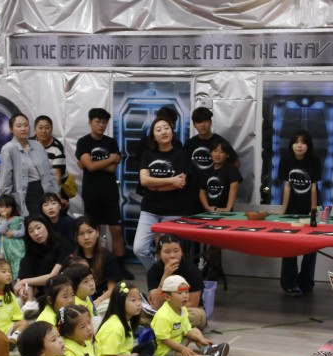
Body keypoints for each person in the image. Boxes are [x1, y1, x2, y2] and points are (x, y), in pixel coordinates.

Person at [75, 108, 133, 279]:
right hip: (91, 193)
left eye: (104, 122)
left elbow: (111, 168)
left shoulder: (111, 142)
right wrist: (110, 159)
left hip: (110, 192)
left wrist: (92, 163)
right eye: (97, 121)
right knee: (93, 230)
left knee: (116, 229)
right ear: (90, 122)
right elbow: (91, 166)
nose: (101, 125)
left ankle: (120, 266)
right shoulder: (83, 142)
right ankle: (94, 265)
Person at [133, 117, 195, 270]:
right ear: (153, 136)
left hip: (174, 211)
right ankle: (157, 272)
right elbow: (144, 181)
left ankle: (167, 279)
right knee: (139, 248)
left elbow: (180, 183)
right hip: (149, 210)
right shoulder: (148, 154)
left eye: (166, 128)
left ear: (172, 132)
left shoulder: (181, 154)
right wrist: (171, 180)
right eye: (158, 129)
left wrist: (155, 186)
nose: (163, 132)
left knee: (168, 252)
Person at [277, 130, 321, 296]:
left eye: (303, 142)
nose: (299, 145)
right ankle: (289, 283)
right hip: (291, 210)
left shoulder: (314, 160)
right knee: (289, 248)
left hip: (308, 209)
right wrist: (283, 210)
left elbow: (314, 187)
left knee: (311, 248)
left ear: (308, 146)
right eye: (296, 142)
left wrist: (313, 210)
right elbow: (287, 187)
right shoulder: (285, 160)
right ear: (292, 145)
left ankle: (306, 282)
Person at [151, 275, 229, 356]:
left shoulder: (182, 309)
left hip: (178, 340)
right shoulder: (163, 316)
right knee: (187, 355)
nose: (185, 295)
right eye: (180, 293)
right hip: (165, 350)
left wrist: (200, 339)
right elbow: (164, 340)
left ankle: (207, 349)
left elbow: (187, 330)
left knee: (195, 330)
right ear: (167, 297)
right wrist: (183, 349)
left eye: (187, 292)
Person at [95, 282, 159, 356]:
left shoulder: (126, 320)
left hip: (121, 355)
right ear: (120, 303)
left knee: (149, 345)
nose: (138, 303)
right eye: (133, 300)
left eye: (139, 299)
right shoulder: (115, 326)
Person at [0, 112, 59, 217]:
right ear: (11, 129)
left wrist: (57, 194)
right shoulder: (8, 148)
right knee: (34, 222)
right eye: (19, 126)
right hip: (27, 193)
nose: (23, 129)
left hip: (45, 190)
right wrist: (6, 204)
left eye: (26, 125)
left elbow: (49, 172)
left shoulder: (37, 145)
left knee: (48, 222)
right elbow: (5, 180)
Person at [145, 234, 208, 329]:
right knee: (137, 310)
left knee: (198, 316)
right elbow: (157, 302)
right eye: (167, 252)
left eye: (176, 251)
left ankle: (160, 325)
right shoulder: (153, 271)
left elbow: (192, 303)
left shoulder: (192, 270)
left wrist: (166, 310)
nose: (172, 255)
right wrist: (166, 274)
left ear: (182, 252)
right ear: (159, 254)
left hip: (185, 310)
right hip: (162, 310)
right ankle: (171, 326)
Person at [13, 214, 73, 301]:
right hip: (35, 292)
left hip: (56, 286)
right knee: (25, 261)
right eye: (31, 231)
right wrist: (20, 288)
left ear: (46, 226)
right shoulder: (32, 251)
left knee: (49, 257)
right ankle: (29, 303)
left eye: (38, 228)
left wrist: (23, 282)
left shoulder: (63, 245)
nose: (36, 233)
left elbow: (53, 276)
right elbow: (21, 278)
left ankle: (30, 301)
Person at [72, 215, 122, 305]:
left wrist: (95, 303)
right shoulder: (72, 258)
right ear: (76, 237)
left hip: (101, 301)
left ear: (97, 232)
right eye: (81, 234)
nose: (86, 237)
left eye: (90, 232)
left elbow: (112, 288)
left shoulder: (108, 257)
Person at [185, 106, 240, 171]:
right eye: (199, 122)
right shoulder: (189, 144)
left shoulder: (220, 142)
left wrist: (225, 175)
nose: (202, 125)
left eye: (205, 121)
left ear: (210, 122)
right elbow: (183, 165)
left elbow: (237, 163)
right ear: (194, 125)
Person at [33, 115, 71, 197]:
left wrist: (56, 197)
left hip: (55, 183)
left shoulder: (57, 147)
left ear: (51, 129)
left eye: (47, 128)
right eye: (40, 128)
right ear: (35, 129)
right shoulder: (29, 144)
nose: (43, 131)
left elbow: (56, 176)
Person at [0, 194, 26, 279]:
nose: (4, 209)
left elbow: (23, 232)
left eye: (7, 207)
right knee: (5, 267)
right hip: (3, 249)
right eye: (1, 206)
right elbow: (1, 231)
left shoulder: (18, 219)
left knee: (17, 265)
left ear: (13, 208)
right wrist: (5, 220)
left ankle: (17, 281)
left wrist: (14, 233)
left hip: (17, 248)